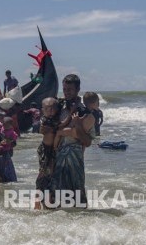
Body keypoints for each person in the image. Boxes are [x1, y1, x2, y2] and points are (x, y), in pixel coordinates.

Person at [49, 74, 95, 208]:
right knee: (56, 197)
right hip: (57, 158)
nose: (66, 92)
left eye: (69, 89)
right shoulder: (58, 109)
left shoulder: (85, 113)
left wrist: (76, 129)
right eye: (64, 89)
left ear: (77, 89)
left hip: (75, 160)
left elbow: (87, 142)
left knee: (78, 197)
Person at [35, 97, 61, 209]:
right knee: (43, 174)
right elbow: (57, 127)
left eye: (52, 108)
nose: (50, 111)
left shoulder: (55, 118)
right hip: (45, 150)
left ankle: (48, 200)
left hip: (53, 150)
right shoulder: (45, 120)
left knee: (52, 175)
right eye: (47, 108)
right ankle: (37, 201)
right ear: (42, 110)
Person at [0, 117, 18, 182]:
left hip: (6, 149)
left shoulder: (11, 131)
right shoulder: (1, 128)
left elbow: (14, 139)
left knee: (6, 167)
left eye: (6, 125)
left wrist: (10, 140)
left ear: (10, 125)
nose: (4, 126)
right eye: (4, 124)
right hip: (2, 149)